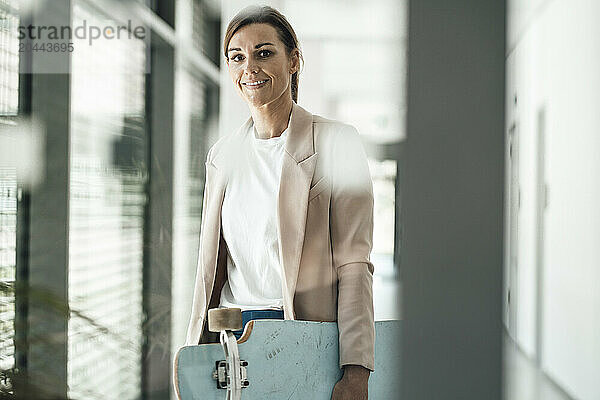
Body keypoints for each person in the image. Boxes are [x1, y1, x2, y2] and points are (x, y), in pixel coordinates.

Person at [184, 5, 375, 399]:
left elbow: (355, 263)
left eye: (264, 52)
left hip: (302, 336)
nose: (249, 67)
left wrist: (357, 370)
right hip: (230, 338)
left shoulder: (337, 142)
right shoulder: (222, 155)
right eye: (237, 57)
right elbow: (210, 272)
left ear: (293, 61)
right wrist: (194, 353)